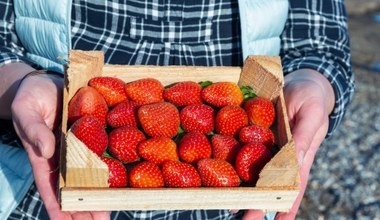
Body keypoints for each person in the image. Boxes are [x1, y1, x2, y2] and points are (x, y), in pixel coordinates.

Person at [0, 0, 355, 219]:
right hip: (44, 181)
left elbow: (321, 47)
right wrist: (18, 83)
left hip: (235, 201)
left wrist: (315, 84)